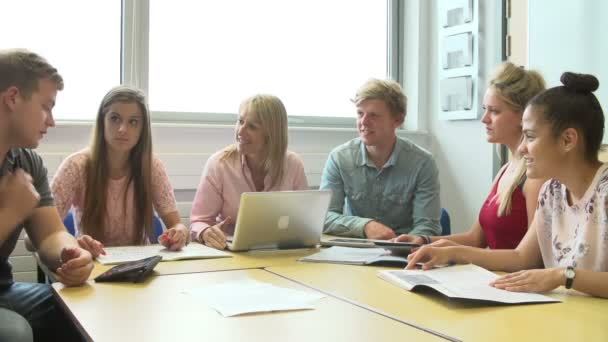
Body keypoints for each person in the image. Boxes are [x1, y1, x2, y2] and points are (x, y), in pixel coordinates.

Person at [407, 72, 608, 298]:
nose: (522, 149)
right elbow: (522, 257)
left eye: (530, 137)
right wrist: (453, 253)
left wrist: (563, 275)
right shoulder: (552, 192)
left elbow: (553, 273)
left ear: (568, 140)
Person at [395, 62, 546, 248]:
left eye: (495, 111)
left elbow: (533, 259)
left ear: (523, 116)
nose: (485, 119)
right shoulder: (506, 169)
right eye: (485, 109)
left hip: (509, 276)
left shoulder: (535, 178)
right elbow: (475, 239)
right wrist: (422, 241)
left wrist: (456, 253)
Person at [0, 49, 93, 340]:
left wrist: (72, 254)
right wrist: (10, 214)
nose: (51, 121)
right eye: (46, 106)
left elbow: (51, 234)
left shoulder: (27, 162)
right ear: (13, 98)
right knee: (14, 333)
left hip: (5, 291)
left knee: (84, 308)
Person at [51, 86, 189, 257]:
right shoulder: (75, 166)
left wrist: (179, 233)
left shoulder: (152, 166)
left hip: (140, 264)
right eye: (115, 119)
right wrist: (74, 244)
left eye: (133, 122)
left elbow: (177, 224)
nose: (123, 129)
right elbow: (41, 235)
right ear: (103, 121)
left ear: (142, 129)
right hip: (92, 263)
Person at [320, 79, 441, 240]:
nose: (363, 122)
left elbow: (428, 226)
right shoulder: (339, 158)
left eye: (374, 115)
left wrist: (402, 245)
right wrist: (365, 226)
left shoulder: (422, 163)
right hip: (354, 251)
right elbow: (324, 217)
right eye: (360, 113)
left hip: (404, 254)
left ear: (397, 120)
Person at [190, 94, 308, 249]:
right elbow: (199, 220)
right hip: (231, 252)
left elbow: (305, 222)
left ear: (271, 133)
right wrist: (206, 232)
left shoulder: (293, 164)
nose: (241, 130)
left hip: (279, 251)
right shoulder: (220, 164)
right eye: (240, 121)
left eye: (252, 127)